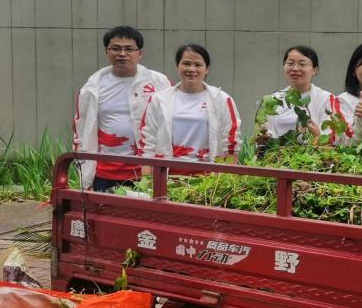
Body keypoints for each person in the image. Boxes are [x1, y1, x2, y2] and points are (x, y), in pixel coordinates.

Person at [73, 26, 171, 192]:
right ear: (106, 52)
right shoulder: (92, 87)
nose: (122, 53)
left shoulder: (159, 83)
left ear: (140, 53)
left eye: (129, 49)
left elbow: (170, 125)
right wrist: (85, 175)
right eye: (116, 48)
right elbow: (81, 130)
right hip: (105, 173)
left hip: (146, 172)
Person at [140, 44, 241, 172]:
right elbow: (148, 141)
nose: (191, 69)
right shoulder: (159, 99)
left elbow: (231, 143)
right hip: (167, 177)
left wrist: (227, 181)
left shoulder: (221, 99)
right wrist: (148, 181)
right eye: (186, 63)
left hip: (207, 180)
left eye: (198, 65)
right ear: (177, 66)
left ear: (207, 69)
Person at [260, 45, 347, 141]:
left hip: (314, 154)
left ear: (314, 70)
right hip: (276, 155)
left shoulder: (326, 99)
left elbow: (333, 138)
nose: (295, 68)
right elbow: (264, 136)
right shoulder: (273, 99)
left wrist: (318, 135)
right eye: (290, 63)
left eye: (302, 64)